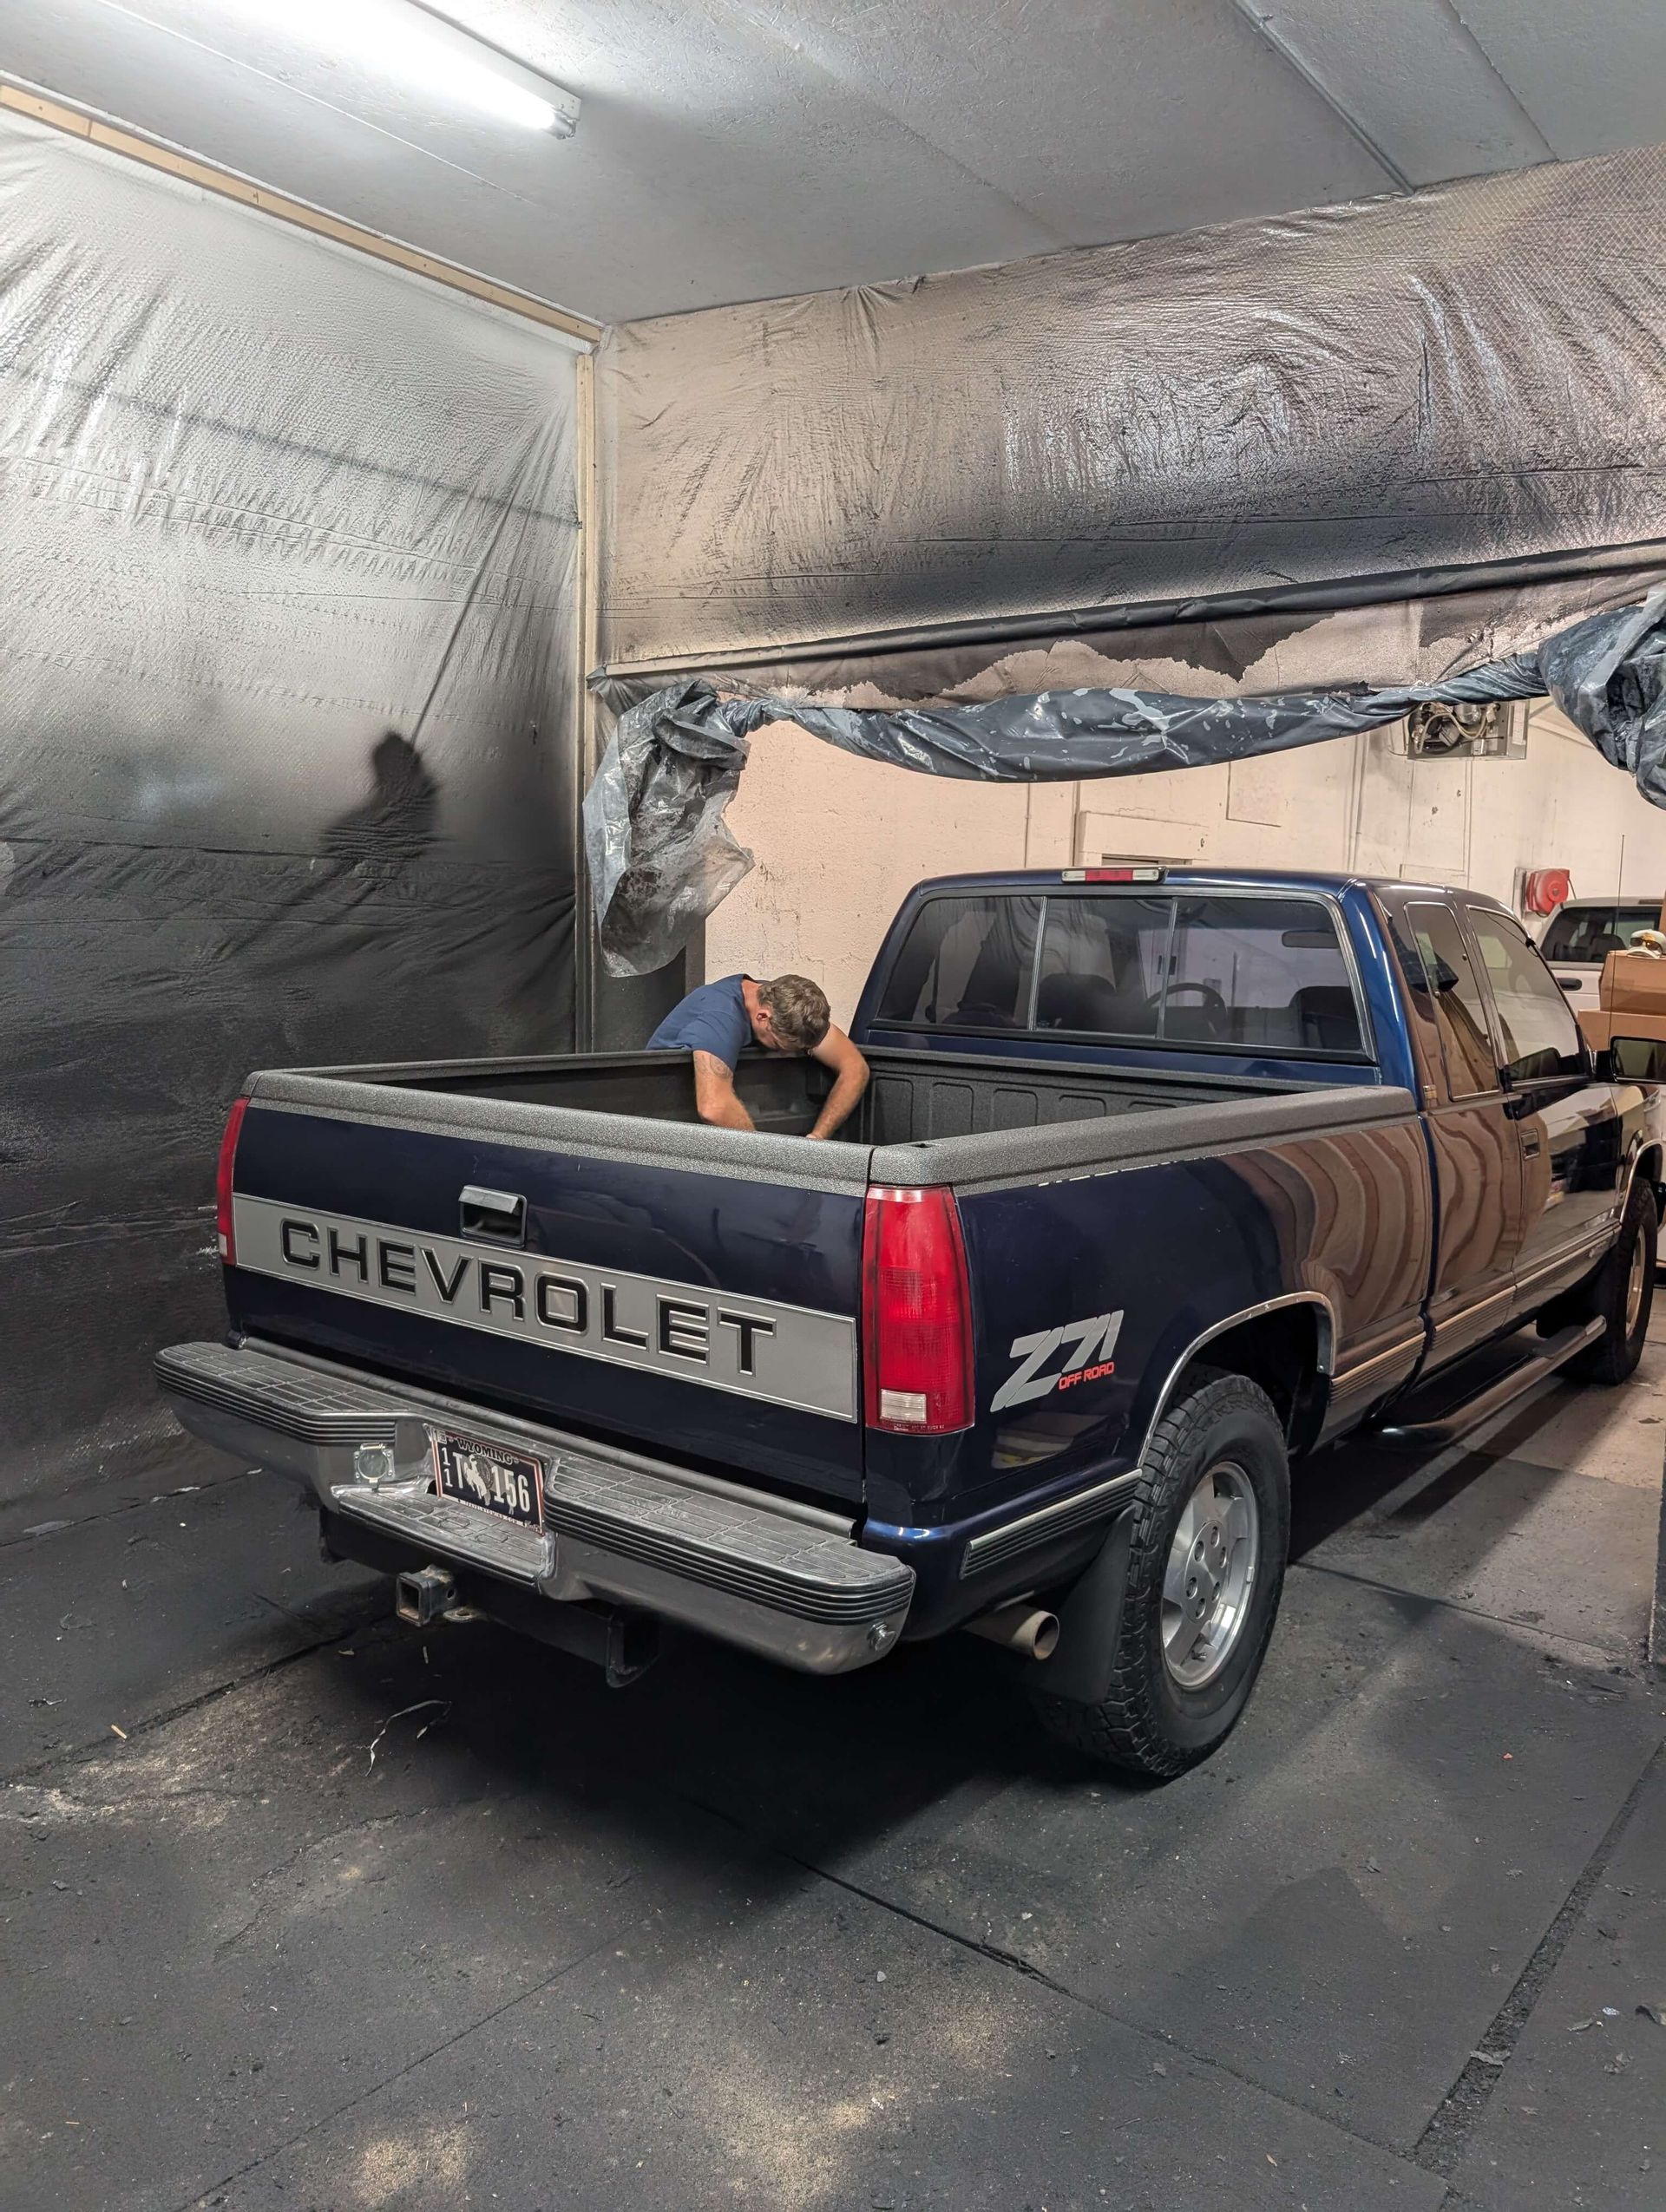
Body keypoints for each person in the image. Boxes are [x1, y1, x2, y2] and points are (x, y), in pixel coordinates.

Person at [646, 972, 870, 1139]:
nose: (783, 1055)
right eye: (779, 1046)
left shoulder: (783, 1004)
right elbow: (714, 1108)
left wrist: (818, 1137)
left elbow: (854, 1068)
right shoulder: (720, 1018)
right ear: (763, 1017)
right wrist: (767, 1164)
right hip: (665, 1121)